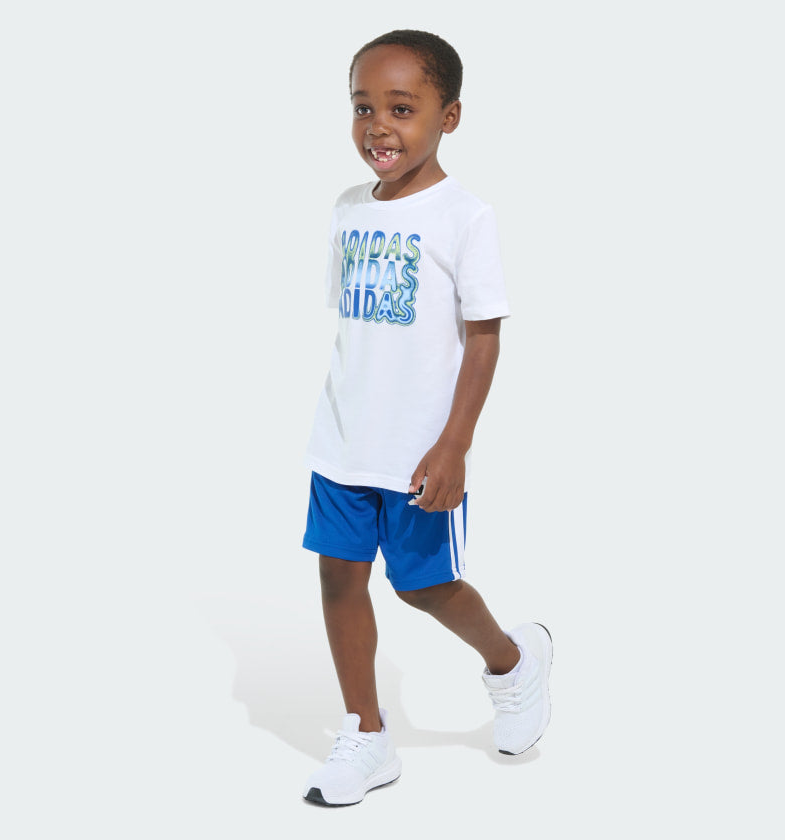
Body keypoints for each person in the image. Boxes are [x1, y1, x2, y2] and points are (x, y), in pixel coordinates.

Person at [300, 29, 552, 807]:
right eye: (363, 107)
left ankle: (513, 663)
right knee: (339, 580)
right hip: (342, 442)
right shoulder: (347, 208)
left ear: (450, 117)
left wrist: (454, 444)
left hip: (418, 452)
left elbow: (484, 336)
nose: (378, 126)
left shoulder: (464, 217)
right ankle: (366, 733)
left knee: (424, 586)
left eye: (402, 109)